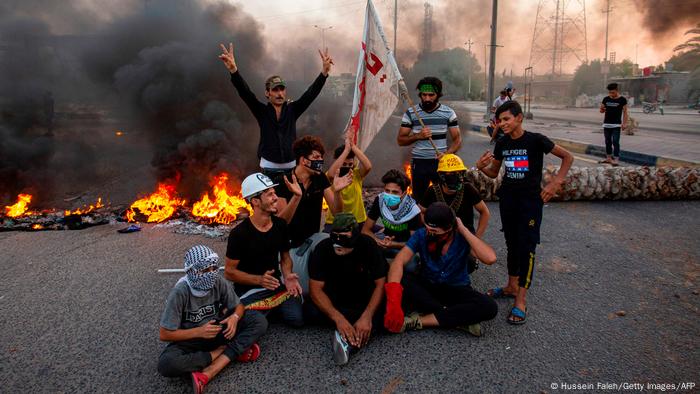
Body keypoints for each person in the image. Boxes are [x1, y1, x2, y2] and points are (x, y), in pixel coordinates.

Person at [476, 101, 573, 325]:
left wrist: (555, 183)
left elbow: (568, 157)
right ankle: (511, 286)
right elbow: (494, 172)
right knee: (511, 244)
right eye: (500, 120)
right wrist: (482, 167)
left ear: (519, 118)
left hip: (530, 203)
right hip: (508, 201)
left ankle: (520, 300)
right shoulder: (502, 142)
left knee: (526, 248)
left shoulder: (536, 140)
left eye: (507, 119)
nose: (502, 124)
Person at [218, 42, 333, 196]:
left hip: (291, 168)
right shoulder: (262, 112)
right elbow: (245, 93)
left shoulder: (292, 110)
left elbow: (310, 94)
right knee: (272, 205)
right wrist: (234, 71)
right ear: (267, 93)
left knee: (292, 204)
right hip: (269, 170)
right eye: (275, 90)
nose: (279, 93)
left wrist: (324, 73)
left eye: (282, 89)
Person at [158, 245, 267, 394]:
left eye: (213, 268)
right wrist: (199, 332)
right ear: (191, 271)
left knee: (258, 320)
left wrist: (234, 318)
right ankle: (225, 352)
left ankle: (211, 368)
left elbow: (239, 306)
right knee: (167, 364)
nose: (210, 274)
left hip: (218, 329)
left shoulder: (217, 281)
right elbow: (165, 334)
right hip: (192, 339)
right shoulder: (180, 292)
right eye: (204, 270)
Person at [383, 202, 498, 337]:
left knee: (489, 307)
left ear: (449, 228)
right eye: (427, 229)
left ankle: (419, 320)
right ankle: (457, 318)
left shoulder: (461, 237)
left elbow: (490, 258)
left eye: (435, 232)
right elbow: (399, 261)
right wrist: (393, 299)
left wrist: (464, 230)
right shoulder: (421, 235)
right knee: (398, 276)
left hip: (456, 289)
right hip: (429, 287)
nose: (429, 234)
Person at [224, 173, 304, 327]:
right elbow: (229, 272)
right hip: (249, 290)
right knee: (255, 323)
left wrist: (287, 276)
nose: (276, 197)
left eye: (274, 193)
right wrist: (259, 280)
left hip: (275, 287)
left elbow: (286, 257)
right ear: (255, 201)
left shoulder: (280, 225)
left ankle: (266, 309)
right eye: (269, 194)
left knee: (297, 319)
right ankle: (258, 311)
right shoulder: (239, 234)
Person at [307, 213, 388, 365]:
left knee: (384, 316)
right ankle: (349, 332)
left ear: (355, 235)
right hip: (337, 301)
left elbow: (380, 283)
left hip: (363, 300)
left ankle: (347, 341)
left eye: (344, 237)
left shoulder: (368, 245)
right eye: (334, 236)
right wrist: (339, 319)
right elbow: (315, 290)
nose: (338, 242)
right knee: (310, 311)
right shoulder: (323, 248)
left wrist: (367, 316)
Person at [276, 135, 352, 290]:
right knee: (302, 290)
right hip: (290, 245)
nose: (320, 161)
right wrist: (297, 196)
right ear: (304, 160)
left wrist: (337, 192)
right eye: (316, 157)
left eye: (321, 157)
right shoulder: (284, 181)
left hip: (313, 237)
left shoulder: (320, 178)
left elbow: (338, 212)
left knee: (338, 247)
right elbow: (281, 223)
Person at [420, 154, 490, 274]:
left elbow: (485, 213)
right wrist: (429, 228)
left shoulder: (467, 189)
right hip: (439, 235)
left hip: (463, 235)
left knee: (468, 264)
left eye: (459, 174)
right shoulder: (433, 190)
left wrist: (476, 239)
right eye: (451, 175)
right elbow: (421, 211)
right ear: (441, 176)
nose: (456, 178)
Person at [397, 77, 462, 200]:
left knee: (442, 199)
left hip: (441, 163)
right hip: (419, 163)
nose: (427, 98)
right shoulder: (411, 113)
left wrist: (446, 155)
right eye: (424, 95)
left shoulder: (448, 113)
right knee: (419, 200)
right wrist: (418, 136)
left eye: (431, 95)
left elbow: (457, 140)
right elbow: (400, 140)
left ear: (438, 94)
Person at [361, 169, 422, 259]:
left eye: (395, 192)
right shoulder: (380, 200)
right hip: (384, 239)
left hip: (403, 245)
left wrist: (394, 244)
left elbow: (415, 242)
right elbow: (365, 230)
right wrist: (378, 240)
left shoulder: (413, 211)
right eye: (387, 190)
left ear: (404, 193)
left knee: (411, 266)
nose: (389, 195)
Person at [323, 132, 373, 232]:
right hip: (335, 221)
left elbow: (368, 166)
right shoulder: (332, 176)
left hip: (357, 220)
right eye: (344, 163)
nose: (347, 166)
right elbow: (331, 174)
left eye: (350, 164)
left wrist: (352, 146)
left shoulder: (356, 174)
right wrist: (346, 150)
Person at [599, 83, 628, 166]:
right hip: (606, 124)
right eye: (610, 92)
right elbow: (601, 110)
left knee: (615, 141)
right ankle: (608, 158)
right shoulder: (606, 99)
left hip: (616, 125)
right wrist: (602, 109)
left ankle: (616, 159)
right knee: (607, 141)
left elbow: (625, 112)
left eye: (613, 92)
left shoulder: (622, 100)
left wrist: (624, 123)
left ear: (617, 90)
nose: (611, 94)